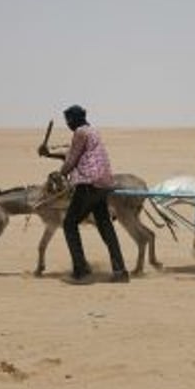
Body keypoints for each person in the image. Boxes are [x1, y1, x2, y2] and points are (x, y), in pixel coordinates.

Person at [38, 105, 129, 284]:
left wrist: (60, 173)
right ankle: (120, 271)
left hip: (88, 183)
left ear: (74, 120)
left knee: (69, 223)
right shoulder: (93, 131)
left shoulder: (79, 132)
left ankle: (81, 271)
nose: (68, 125)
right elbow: (74, 154)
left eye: (68, 121)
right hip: (104, 184)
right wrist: (49, 154)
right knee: (106, 227)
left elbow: (71, 159)